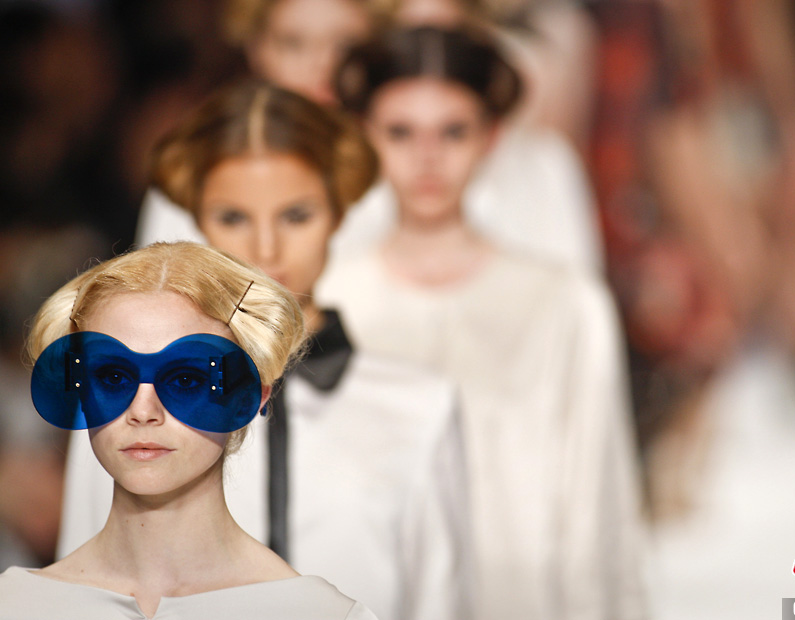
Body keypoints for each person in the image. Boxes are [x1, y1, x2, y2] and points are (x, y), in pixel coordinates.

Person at [58, 80, 470, 620]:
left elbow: (442, 604)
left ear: (338, 215)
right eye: (233, 217)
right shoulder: (127, 400)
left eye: (297, 215)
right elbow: (79, 591)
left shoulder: (418, 409)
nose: (266, 248)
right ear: (196, 221)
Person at [318, 26, 647, 620]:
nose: (427, 157)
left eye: (453, 132)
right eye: (400, 132)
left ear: (491, 137)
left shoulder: (564, 304)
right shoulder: (329, 300)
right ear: (365, 136)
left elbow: (600, 498)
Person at [0, 241, 377, 619]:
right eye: (113, 377)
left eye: (185, 380)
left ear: (249, 397)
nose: (142, 412)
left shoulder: (321, 614)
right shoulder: (15, 604)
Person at [135, 0, 604, 274]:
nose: (320, 66)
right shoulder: (196, 166)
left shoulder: (401, 167)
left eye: (343, 44)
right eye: (293, 42)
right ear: (255, 47)